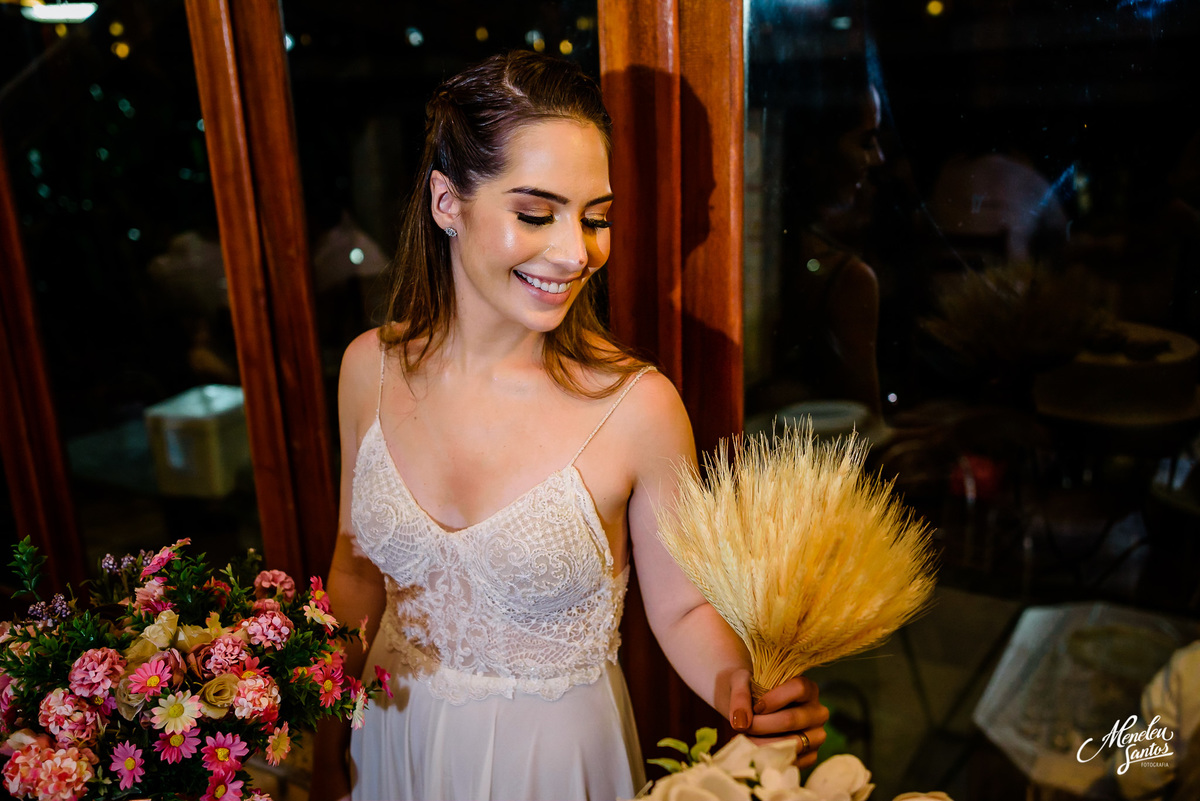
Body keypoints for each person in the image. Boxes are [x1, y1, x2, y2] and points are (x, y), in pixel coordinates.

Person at [310, 51, 829, 801]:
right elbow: (356, 572)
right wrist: (328, 737)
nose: (574, 252)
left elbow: (681, 605)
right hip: (391, 736)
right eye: (535, 213)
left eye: (596, 218)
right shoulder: (370, 367)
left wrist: (751, 690)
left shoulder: (638, 408)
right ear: (447, 201)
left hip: (549, 764)